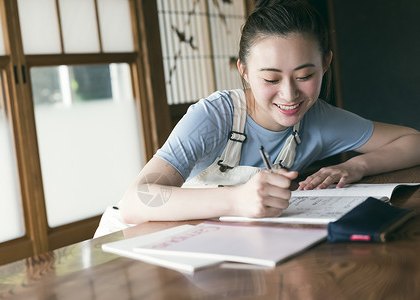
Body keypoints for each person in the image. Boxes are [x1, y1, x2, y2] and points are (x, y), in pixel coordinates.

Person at [94, 0, 420, 237]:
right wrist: (238, 199)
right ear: (245, 72)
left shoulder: (320, 118)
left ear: (325, 64)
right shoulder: (215, 116)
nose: (290, 95)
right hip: (133, 241)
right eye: (271, 79)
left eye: (305, 75)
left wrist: (354, 166)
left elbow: (413, 141)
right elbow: (137, 200)